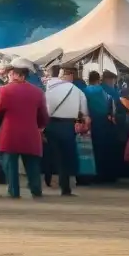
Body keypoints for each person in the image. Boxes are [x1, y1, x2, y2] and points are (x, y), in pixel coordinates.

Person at [0, 57, 49, 199]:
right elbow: (44, 116)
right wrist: (39, 126)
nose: (10, 76)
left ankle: (14, 192)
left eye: (11, 73)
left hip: (10, 134)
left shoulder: (4, 90)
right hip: (31, 134)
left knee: (10, 165)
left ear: (19, 75)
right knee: (32, 165)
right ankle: (36, 191)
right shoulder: (38, 92)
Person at [42, 64, 87, 196]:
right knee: (66, 157)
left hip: (51, 124)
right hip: (68, 125)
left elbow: (45, 108)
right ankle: (65, 188)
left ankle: (47, 180)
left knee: (51, 154)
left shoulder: (48, 90)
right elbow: (84, 110)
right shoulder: (75, 89)